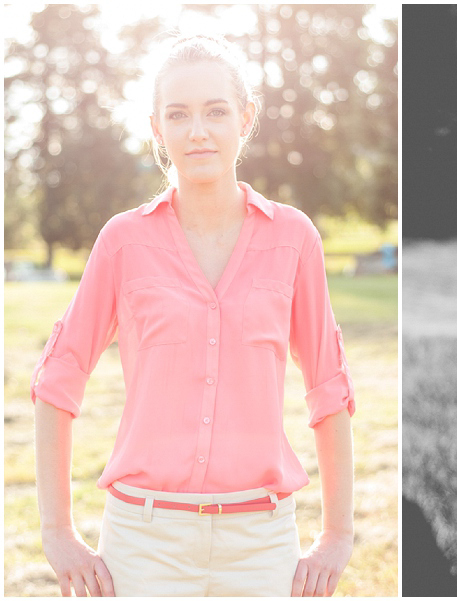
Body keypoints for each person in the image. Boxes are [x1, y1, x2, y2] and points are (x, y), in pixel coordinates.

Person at [32, 34, 355, 597]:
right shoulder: (122, 242)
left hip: (261, 543)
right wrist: (57, 530)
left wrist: (337, 533)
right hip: (141, 545)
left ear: (245, 119)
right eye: (178, 114)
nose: (197, 130)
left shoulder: (294, 239)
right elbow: (57, 382)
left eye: (215, 111)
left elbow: (329, 390)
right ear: (157, 127)